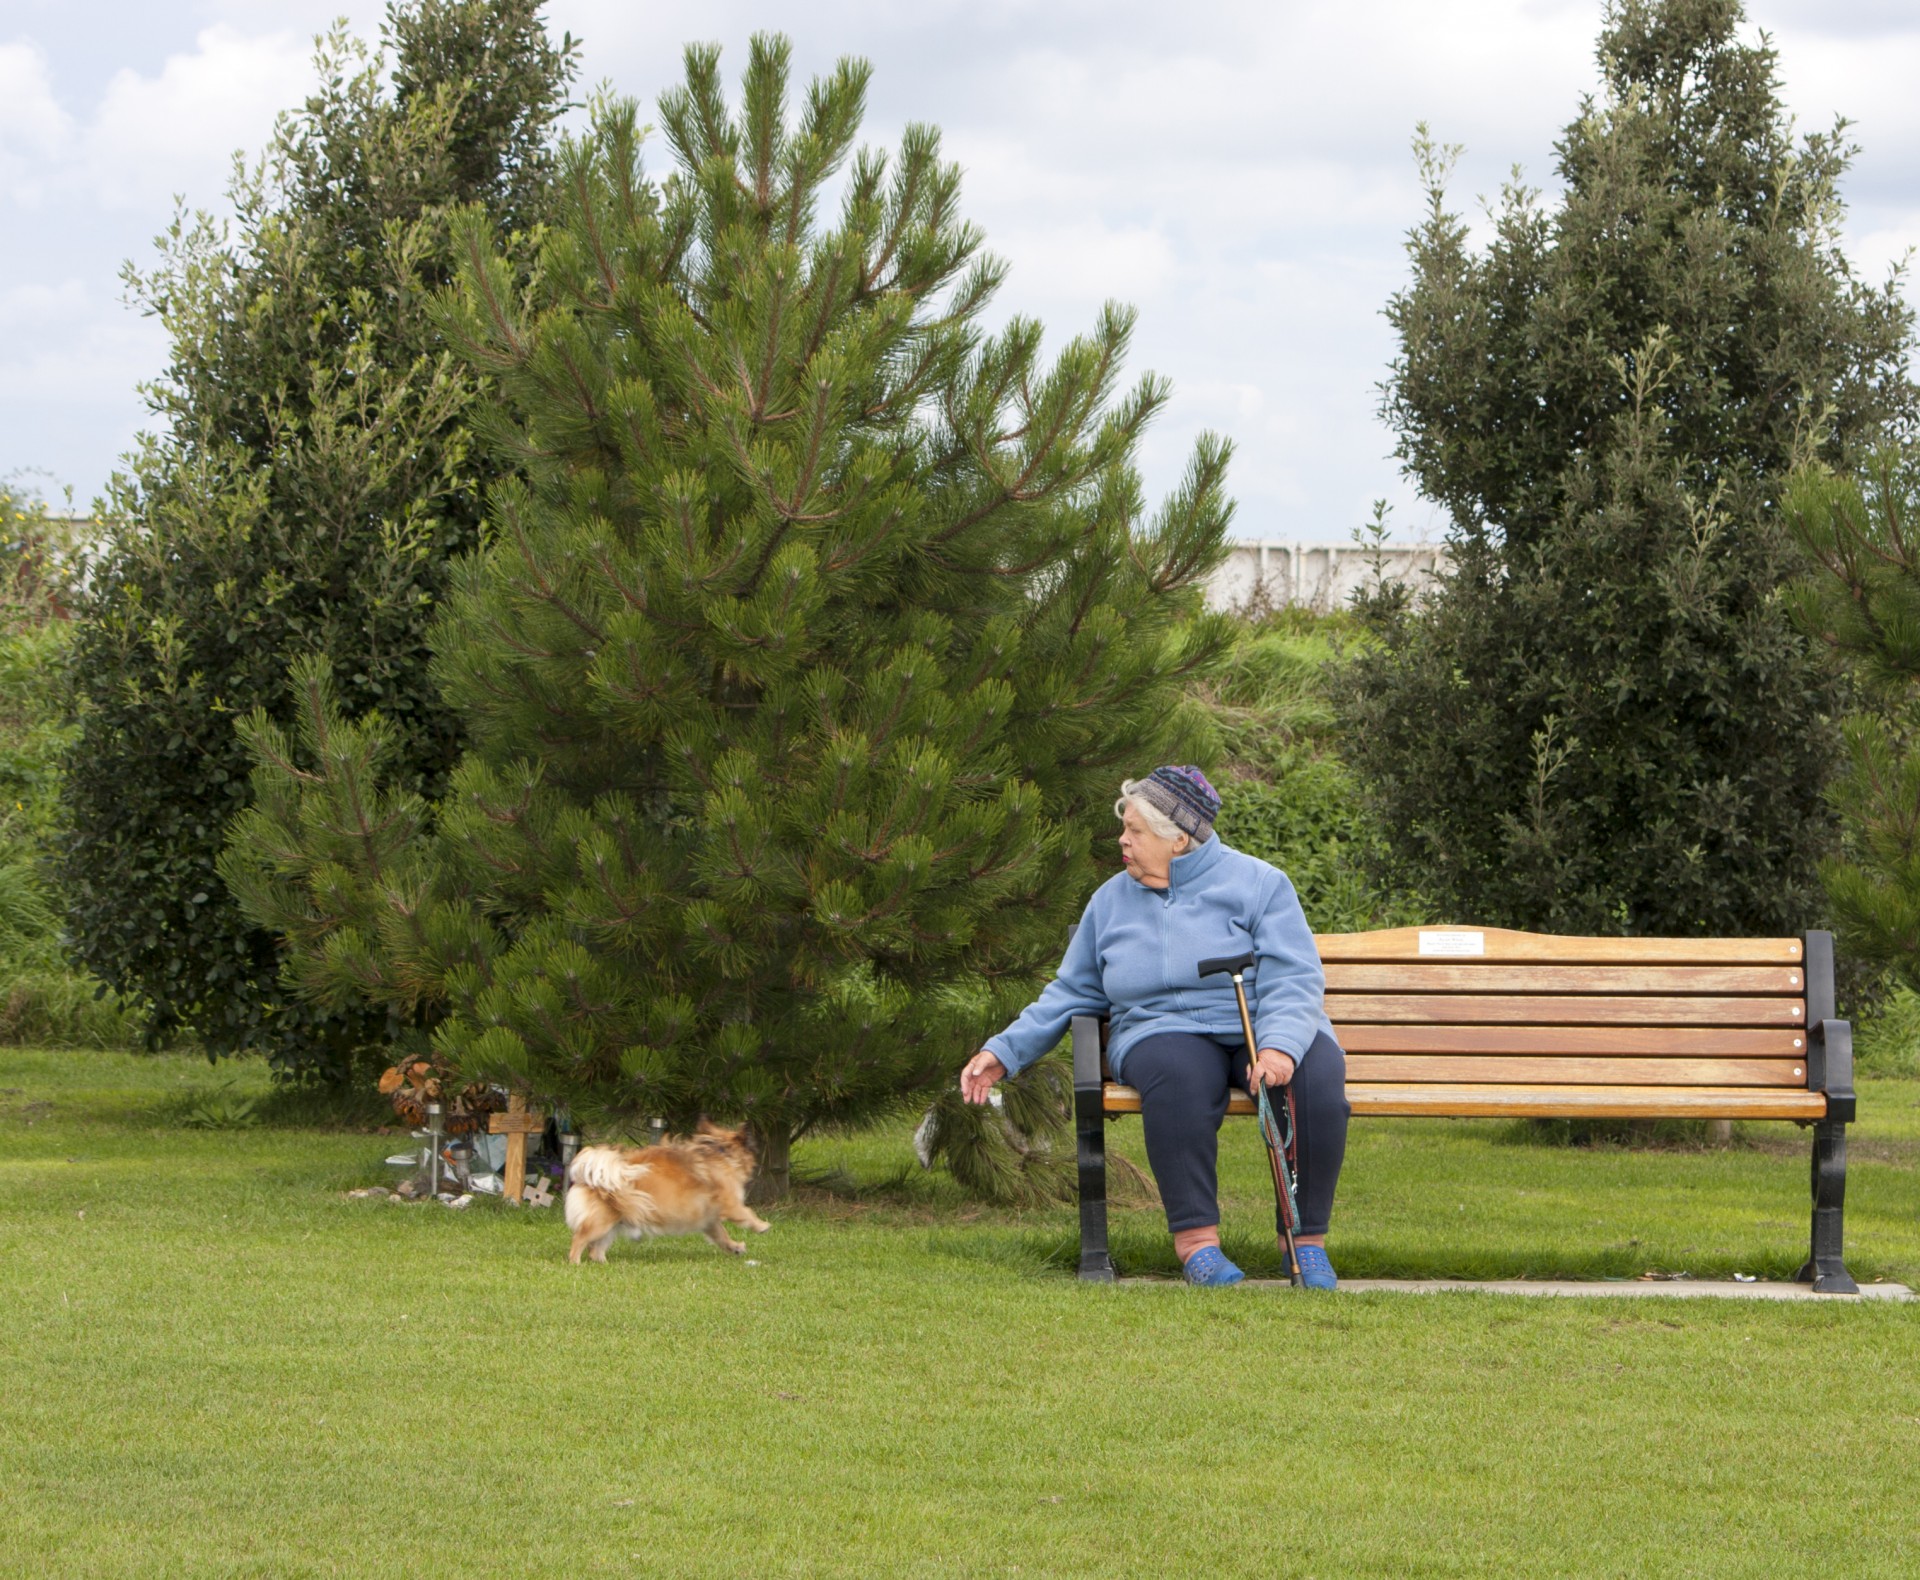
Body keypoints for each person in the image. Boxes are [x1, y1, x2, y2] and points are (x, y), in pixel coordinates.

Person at [960, 765, 1349, 1287]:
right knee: (1178, 1073)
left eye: (1135, 830)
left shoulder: (1259, 884)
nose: (1122, 839)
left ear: (1179, 838)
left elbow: (1295, 978)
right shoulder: (1111, 901)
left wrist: (1279, 1048)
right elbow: (1073, 991)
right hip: (1160, 1029)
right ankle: (1198, 1247)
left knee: (1314, 1076)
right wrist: (1004, 1052)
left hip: (1259, 1022)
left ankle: (1305, 1242)